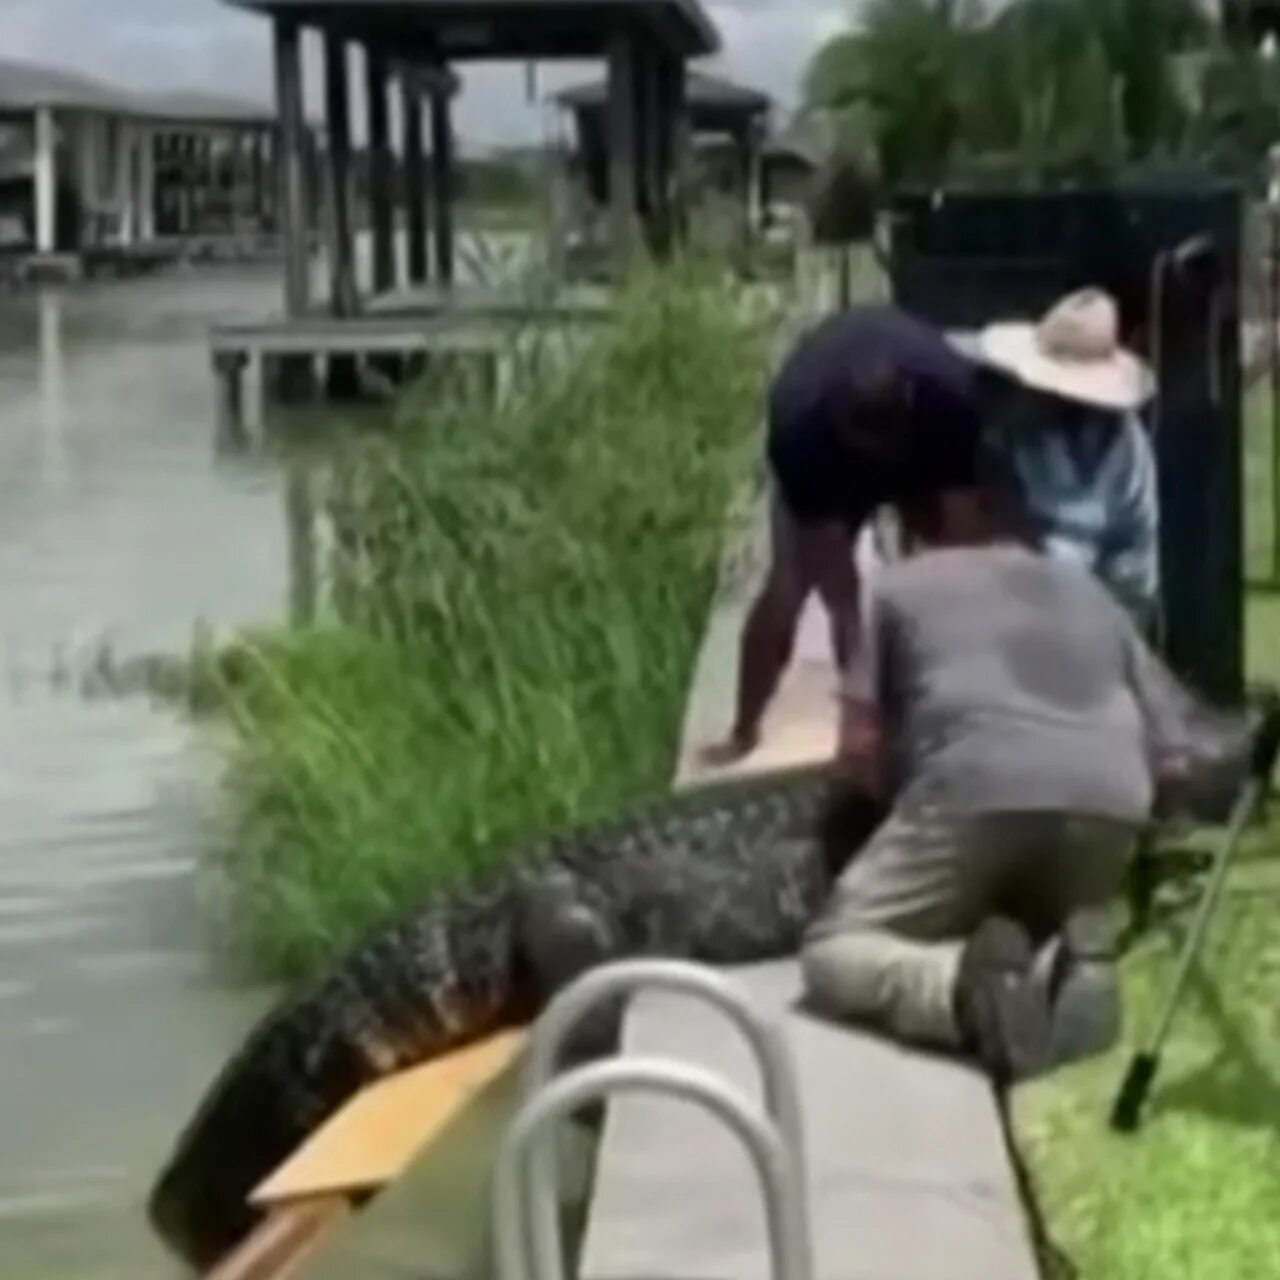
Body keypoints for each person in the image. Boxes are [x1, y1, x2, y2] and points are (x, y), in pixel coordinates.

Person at [799, 473, 1247, 1085]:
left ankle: (955, 989)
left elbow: (858, 751)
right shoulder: (1086, 590)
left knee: (833, 949)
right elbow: (1177, 754)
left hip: (975, 790)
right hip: (1109, 806)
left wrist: (891, 799)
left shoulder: (898, 587)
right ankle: (1063, 960)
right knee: (1021, 920)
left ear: (911, 527)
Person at [701, 304, 984, 770]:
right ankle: (743, 730)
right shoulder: (800, 423)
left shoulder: (950, 393)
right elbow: (839, 590)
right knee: (790, 591)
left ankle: (959, 714)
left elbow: (964, 537)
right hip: (827, 469)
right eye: (866, 444)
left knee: (955, 575)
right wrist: (862, 708)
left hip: (924, 448)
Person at [951, 288, 1162, 631]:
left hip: (1086, 611)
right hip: (1001, 601)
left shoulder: (1125, 445)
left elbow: (1134, 556)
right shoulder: (1004, 421)